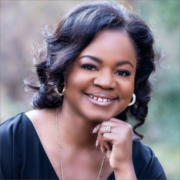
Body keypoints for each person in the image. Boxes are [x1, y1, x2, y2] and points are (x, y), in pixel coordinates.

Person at [0, 1, 166, 180]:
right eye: (90, 66)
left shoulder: (143, 166)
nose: (106, 82)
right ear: (62, 69)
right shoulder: (10, 145)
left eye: (122, 72)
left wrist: (125, 171)